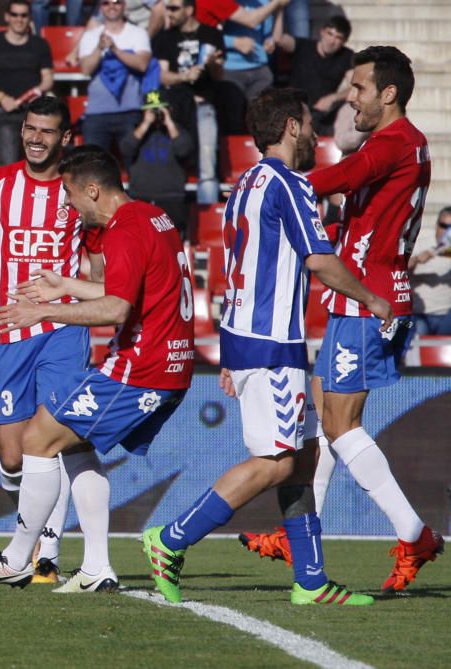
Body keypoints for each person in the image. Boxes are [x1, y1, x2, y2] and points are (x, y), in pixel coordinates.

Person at [142, 87, 390, 606]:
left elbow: (241, 268)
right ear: (293, 128)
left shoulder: (246, 182)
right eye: (310, 123)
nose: (317, 134)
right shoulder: (289, 183)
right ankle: (170, 539)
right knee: (278, 461)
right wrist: (372, 298)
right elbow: (318, 261)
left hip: (250, 337)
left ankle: (312, 580)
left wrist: (232, 355)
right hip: (271, 340)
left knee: (302, 456)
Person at [243, 47, 445, 594]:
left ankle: (413, 533)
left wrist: (271, 182)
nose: (349, 96)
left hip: (367, 298)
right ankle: (301, 535)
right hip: (358, 297)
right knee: (321, 420)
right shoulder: (399, 145)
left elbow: (329, 180)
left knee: (339, 425)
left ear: (388, 94)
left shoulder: (395, 142)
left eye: (358, 87)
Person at [0, 145, 193, 592]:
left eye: (70, 194)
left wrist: (46, 313)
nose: (66, 204)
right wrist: (65, 286)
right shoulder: (152, 218)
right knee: (74, 448)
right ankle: (97, 567)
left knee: (38, 439)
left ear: (94, 190)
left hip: (141, 368)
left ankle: (17, 559)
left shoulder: (123, 230)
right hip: (166, 364)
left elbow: (117, 308)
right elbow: (127, 287)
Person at [0, 97, 102, 584]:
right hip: (8, 331)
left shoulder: (77, 189)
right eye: (30, 129)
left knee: (51, 442)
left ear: (65, 138)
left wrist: (101, 305)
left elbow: (96, 260)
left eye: (46, 131)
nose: (36, 138)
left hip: (62, 329)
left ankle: (45, 555)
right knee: (14, 457)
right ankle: (31, 538)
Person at [151, 0, 224, 205]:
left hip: (203, 106)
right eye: (167, 8)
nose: (169, 13)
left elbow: (219, 75)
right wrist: (185, 77)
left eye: (174, 8)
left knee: (207, 168)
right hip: (176, 108)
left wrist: (212, 66)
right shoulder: (165, 37)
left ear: (189, 9)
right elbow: (162, 76)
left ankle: (209, 229)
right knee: (169, 168)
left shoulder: (211, 34)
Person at [0, 1, 54, 166]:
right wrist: (2, 98)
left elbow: (48, 79)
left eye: (23, 15)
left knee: (38, 165)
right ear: (7, 17)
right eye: (15, 15)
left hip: (35, 114)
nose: (19, 19)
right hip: (6, 113)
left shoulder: (40, 44)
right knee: (8, 166)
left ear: (29, 17)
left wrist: (38, 91)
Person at [76, 0, 154, 167]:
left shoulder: (138, 33)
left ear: (124, 6)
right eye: (106, 3)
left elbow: (142, 64)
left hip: (130, 111)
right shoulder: (90, 35)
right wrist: (99, 48)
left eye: (116, 2)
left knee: (135, 167)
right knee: (92, 168)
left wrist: (115, 49)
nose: (111, 6)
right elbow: (86, 69)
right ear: (100, 7)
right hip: (97, 114)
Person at [120, 90, 194, 236]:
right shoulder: (138, 131)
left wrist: (169, 122)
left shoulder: (178, 131)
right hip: (140, 196)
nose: (156, 114)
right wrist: (146, 124)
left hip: (172, 198)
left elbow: (184, 150)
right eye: (151, 110)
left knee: (171, 241)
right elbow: (126, 149)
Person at [275, 15, 353, 135]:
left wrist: (333, 98)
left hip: (321, 115)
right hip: (293, 111)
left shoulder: (346, 56)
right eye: (330, 34)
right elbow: (279, 39)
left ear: (344, 42)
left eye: (338, 37)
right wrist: (279, 9)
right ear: (322, 32)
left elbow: (355, 86)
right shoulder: (303, 46)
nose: (332, 41)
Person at [218, 0, 280, 135]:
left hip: (260, 69)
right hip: (231, 69)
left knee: (262, 121)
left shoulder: (264, 2)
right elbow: (209, 35)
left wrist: (268, 42)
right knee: (233, 122)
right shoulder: (225, 2)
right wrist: (234, 42)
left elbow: (267, 34)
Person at [408, 207, 451, 336]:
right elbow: (401, 270)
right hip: (420, 314)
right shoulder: (420, 245)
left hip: (447, 314)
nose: (447, 231)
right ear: (436, 225)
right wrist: (416, 259)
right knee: (416, 349)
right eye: (444, 225)